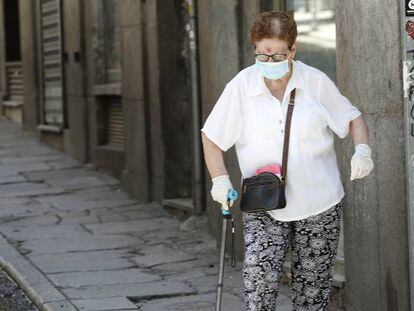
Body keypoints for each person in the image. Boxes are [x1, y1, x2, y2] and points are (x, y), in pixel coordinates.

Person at [200, 10, 374, 311]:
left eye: (277, 56)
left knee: (312, 292)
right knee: (259, 283)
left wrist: (363, 150)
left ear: (293, 49)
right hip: (263, 201)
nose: (268, 63)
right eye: (261, 55)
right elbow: (212, 137)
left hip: (319, 202)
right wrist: (220, 179)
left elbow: (353, 118)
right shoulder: (242, 86)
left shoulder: (315, 82)